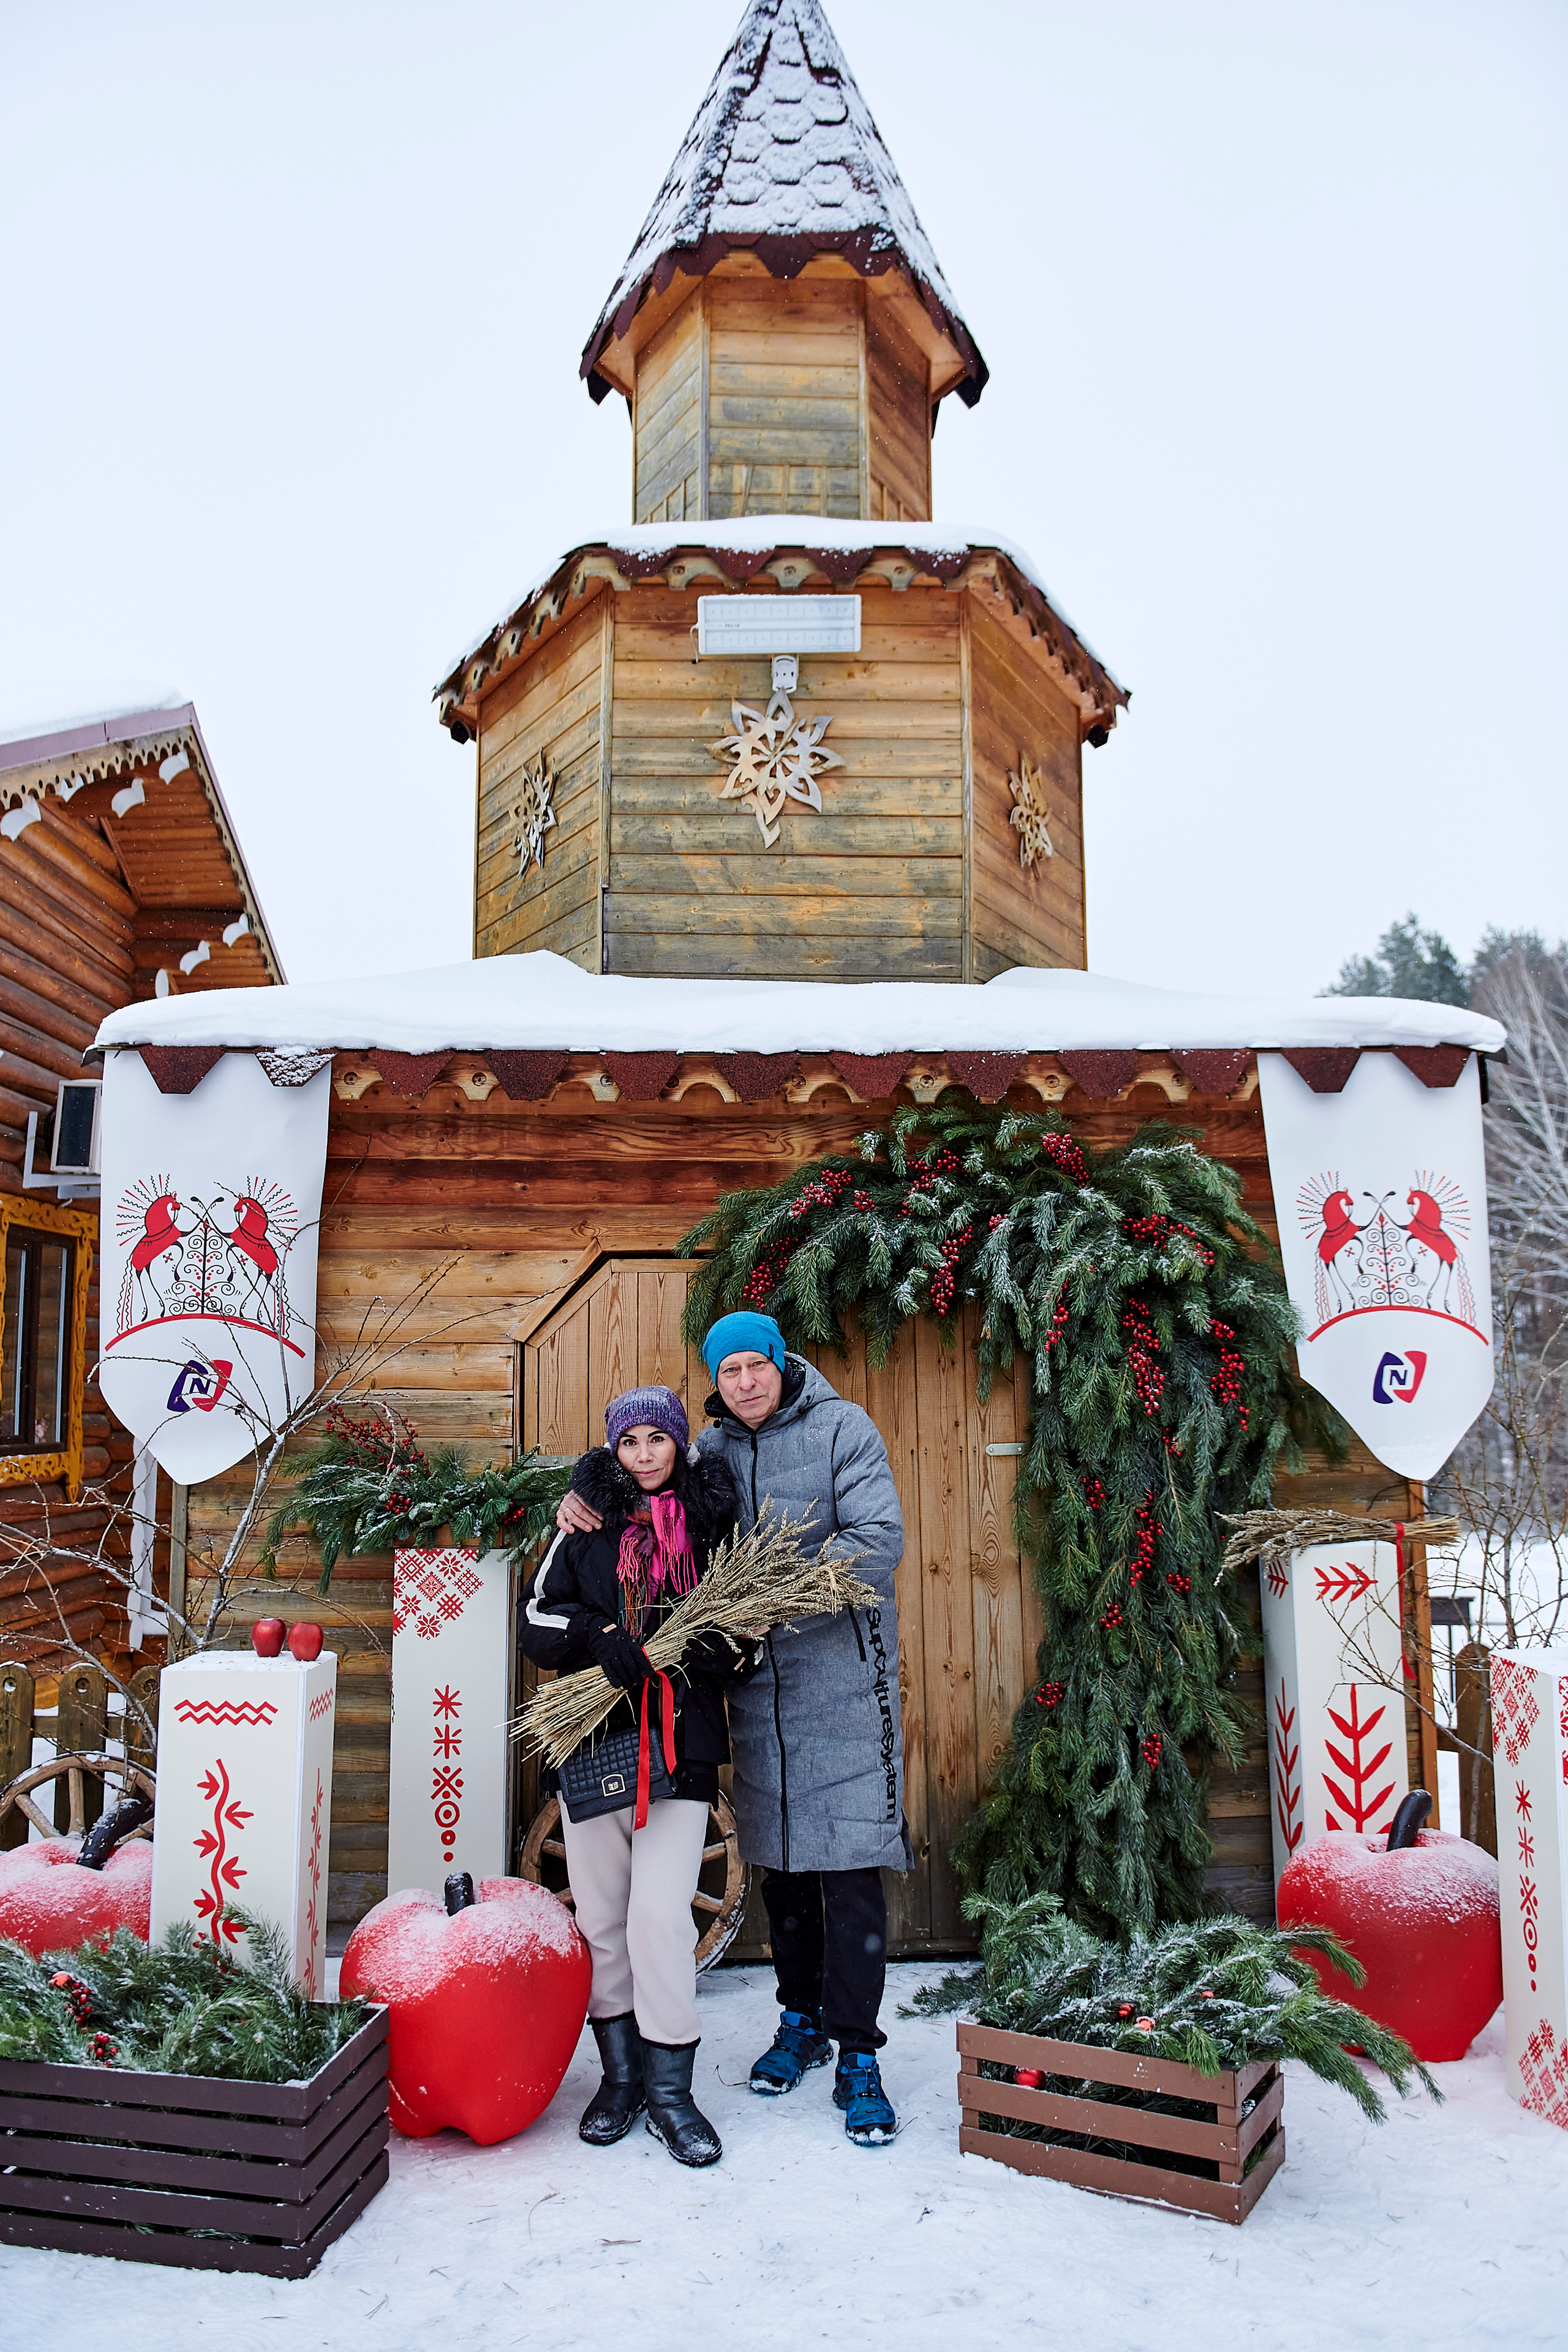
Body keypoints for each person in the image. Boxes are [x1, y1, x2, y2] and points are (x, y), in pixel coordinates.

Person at [554, 1310, 908, 2147]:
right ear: (716, 1381)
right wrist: (583, 1494)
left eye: (757, 1365)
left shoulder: (841, 1429)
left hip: (840, 1679)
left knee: (848, 1862)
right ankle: (800, 2021)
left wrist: (773, 1597)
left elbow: (878, 1539)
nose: (745, 1382)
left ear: (782, 1364)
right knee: (780, 1860)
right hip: (749, 1687)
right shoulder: (708, 1452)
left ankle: (859, 2052)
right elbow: (645, 1490)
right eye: (729, 1370)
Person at [520, 1384, 744, 2168]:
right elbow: (536, 1619)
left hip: (681, 1745)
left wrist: (717, 1650)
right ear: (613, 1449)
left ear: (679, 1443)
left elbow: (744, 1625)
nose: (645, 1455)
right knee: (603, 1921)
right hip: (592, 1745)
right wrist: (599, 1634)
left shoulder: (711, 1520)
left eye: (658, 1439)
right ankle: (621, 2082)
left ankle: (672, 2094)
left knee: (658, 1918)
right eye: (630, 1442)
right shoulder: (584, 1522)